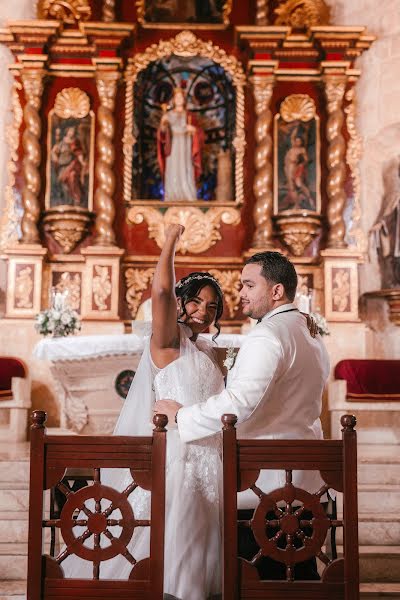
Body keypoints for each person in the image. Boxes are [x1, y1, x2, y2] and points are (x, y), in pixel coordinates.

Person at [62, 224, 225, 600]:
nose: (204, 311)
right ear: (183, 304)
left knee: (203, 542)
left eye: (213, 305)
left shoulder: (208, 351)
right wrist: (169, 241)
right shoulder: (167, 340)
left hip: (209, 455)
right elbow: (163, 290)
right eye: (197, 301)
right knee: (176, 535)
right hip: (178, 456)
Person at [155, 250, 330, 580]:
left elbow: (238, 404)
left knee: (260, 577)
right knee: (297, 573)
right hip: (301, 472)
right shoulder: (310, 331)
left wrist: (182, 417)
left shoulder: (268, 334)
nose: (241, 293)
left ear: (276, 291)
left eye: (249, 285)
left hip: (266, 481)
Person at [157, 86, 204, 201]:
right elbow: (161, 136)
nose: (178, 100)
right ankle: (172, 195)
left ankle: (187, 194)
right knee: (173, 169)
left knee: (185, 168)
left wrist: (193, 129)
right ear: (173, 100)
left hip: (185, 147)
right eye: (176, 97)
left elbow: (200, 133)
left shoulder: (190, 116)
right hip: (172, 148)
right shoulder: (167, 116)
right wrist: (163, 125)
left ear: (184, 100)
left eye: (181, 97)